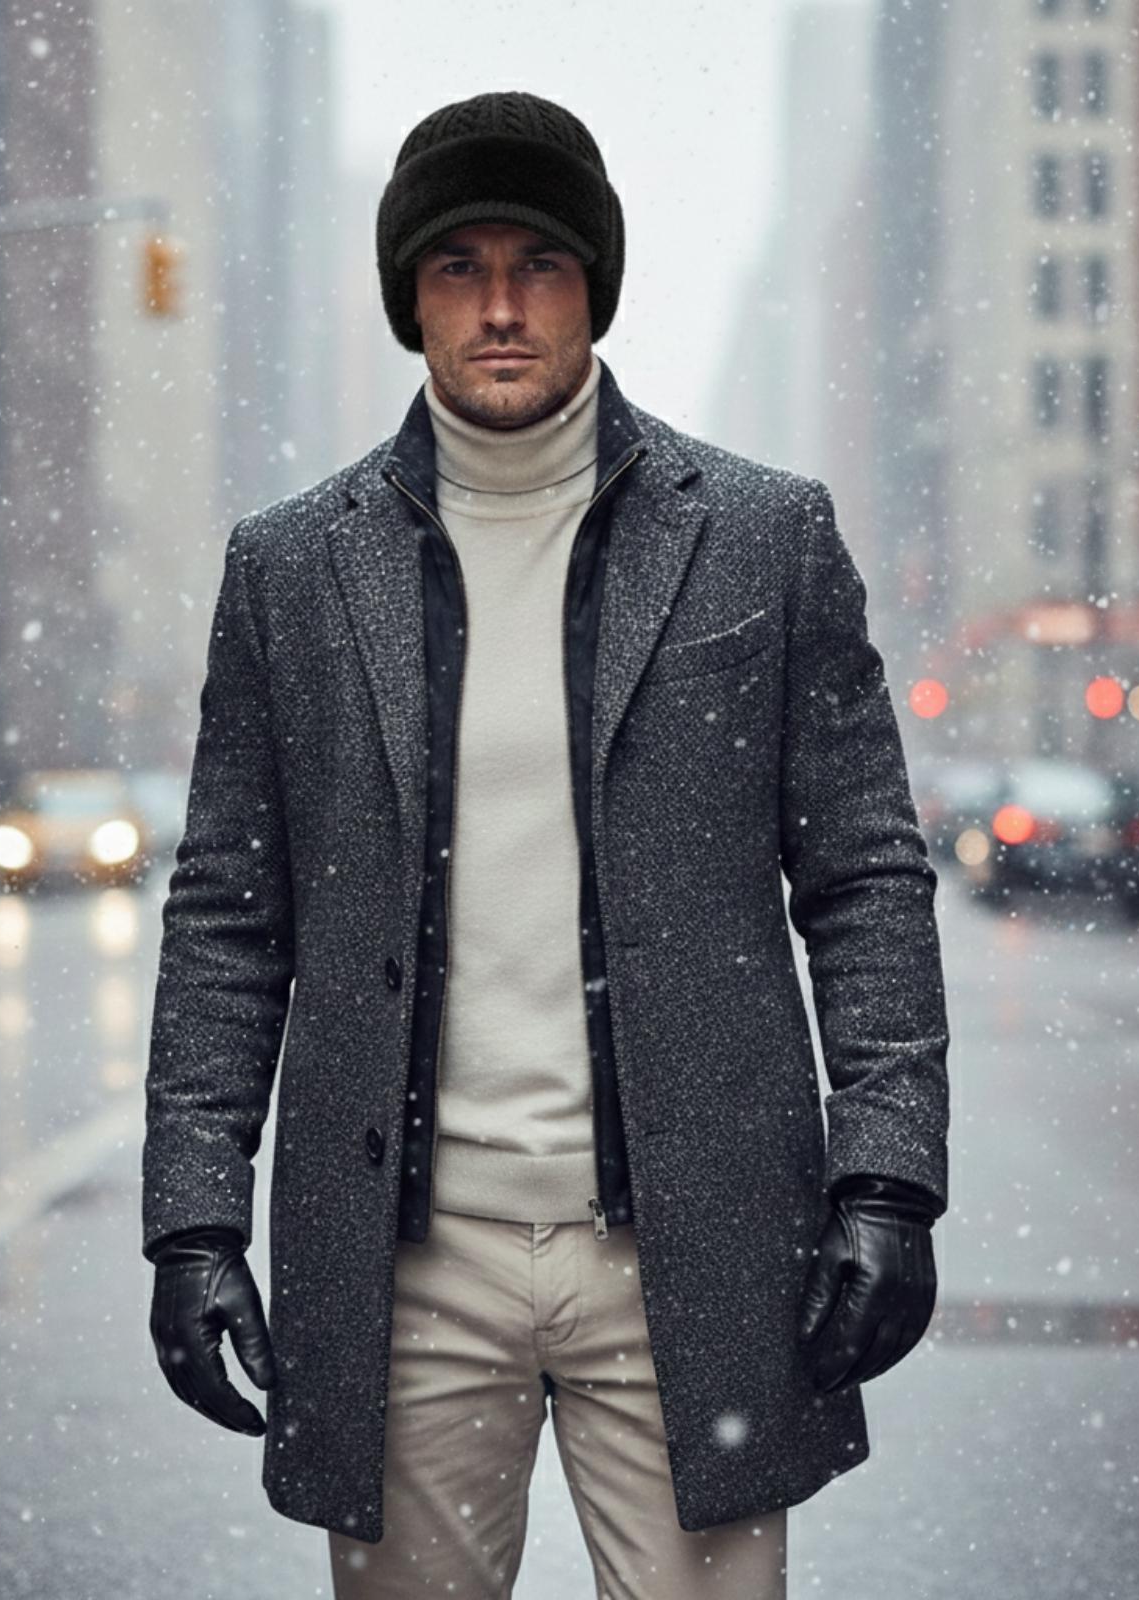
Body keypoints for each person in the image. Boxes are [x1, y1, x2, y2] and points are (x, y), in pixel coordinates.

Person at [142, 89, 951, 1600]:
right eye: (458, 267)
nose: (502, 308)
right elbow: (230, 918)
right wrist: (191, 1218)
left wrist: (889, 1181)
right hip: (404, 1270)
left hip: (692, 1253)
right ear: (409, 300)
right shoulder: (292, 570)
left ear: (595, 289)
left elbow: (864, 882)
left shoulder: (764, 538)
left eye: (541, 266)